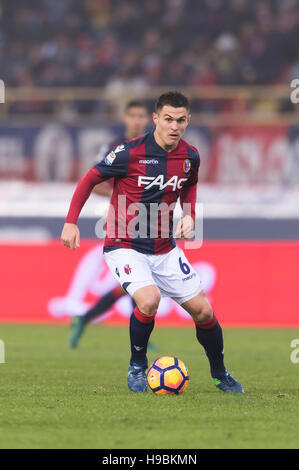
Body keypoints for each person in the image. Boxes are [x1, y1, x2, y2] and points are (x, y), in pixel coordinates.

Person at [61, 91, 244, 394]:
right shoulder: (129, 152)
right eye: (168, 119)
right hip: (125, 245)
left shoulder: (190, 156)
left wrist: (190, 215)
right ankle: (137, 366)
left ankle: (220, 373)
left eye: (181, 120)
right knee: (148, 300)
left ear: (188, 121)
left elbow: (190, 185)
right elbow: (89, 179)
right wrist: (70, 222)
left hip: (164, 248)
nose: (174, 126)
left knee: (204, 312)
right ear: (156, 119)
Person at [69, 100, 153, 348]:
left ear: (147, 119)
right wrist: (121, 194)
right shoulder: (114, 147)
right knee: (136, 280)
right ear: (125, 118)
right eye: (133, 115)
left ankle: (85, 318)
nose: (137, 120)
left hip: (147, 220)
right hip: (122, 222)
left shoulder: (154, 147)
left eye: (141, 116)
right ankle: (138, 338)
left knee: (131, 284)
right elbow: (94, 183)